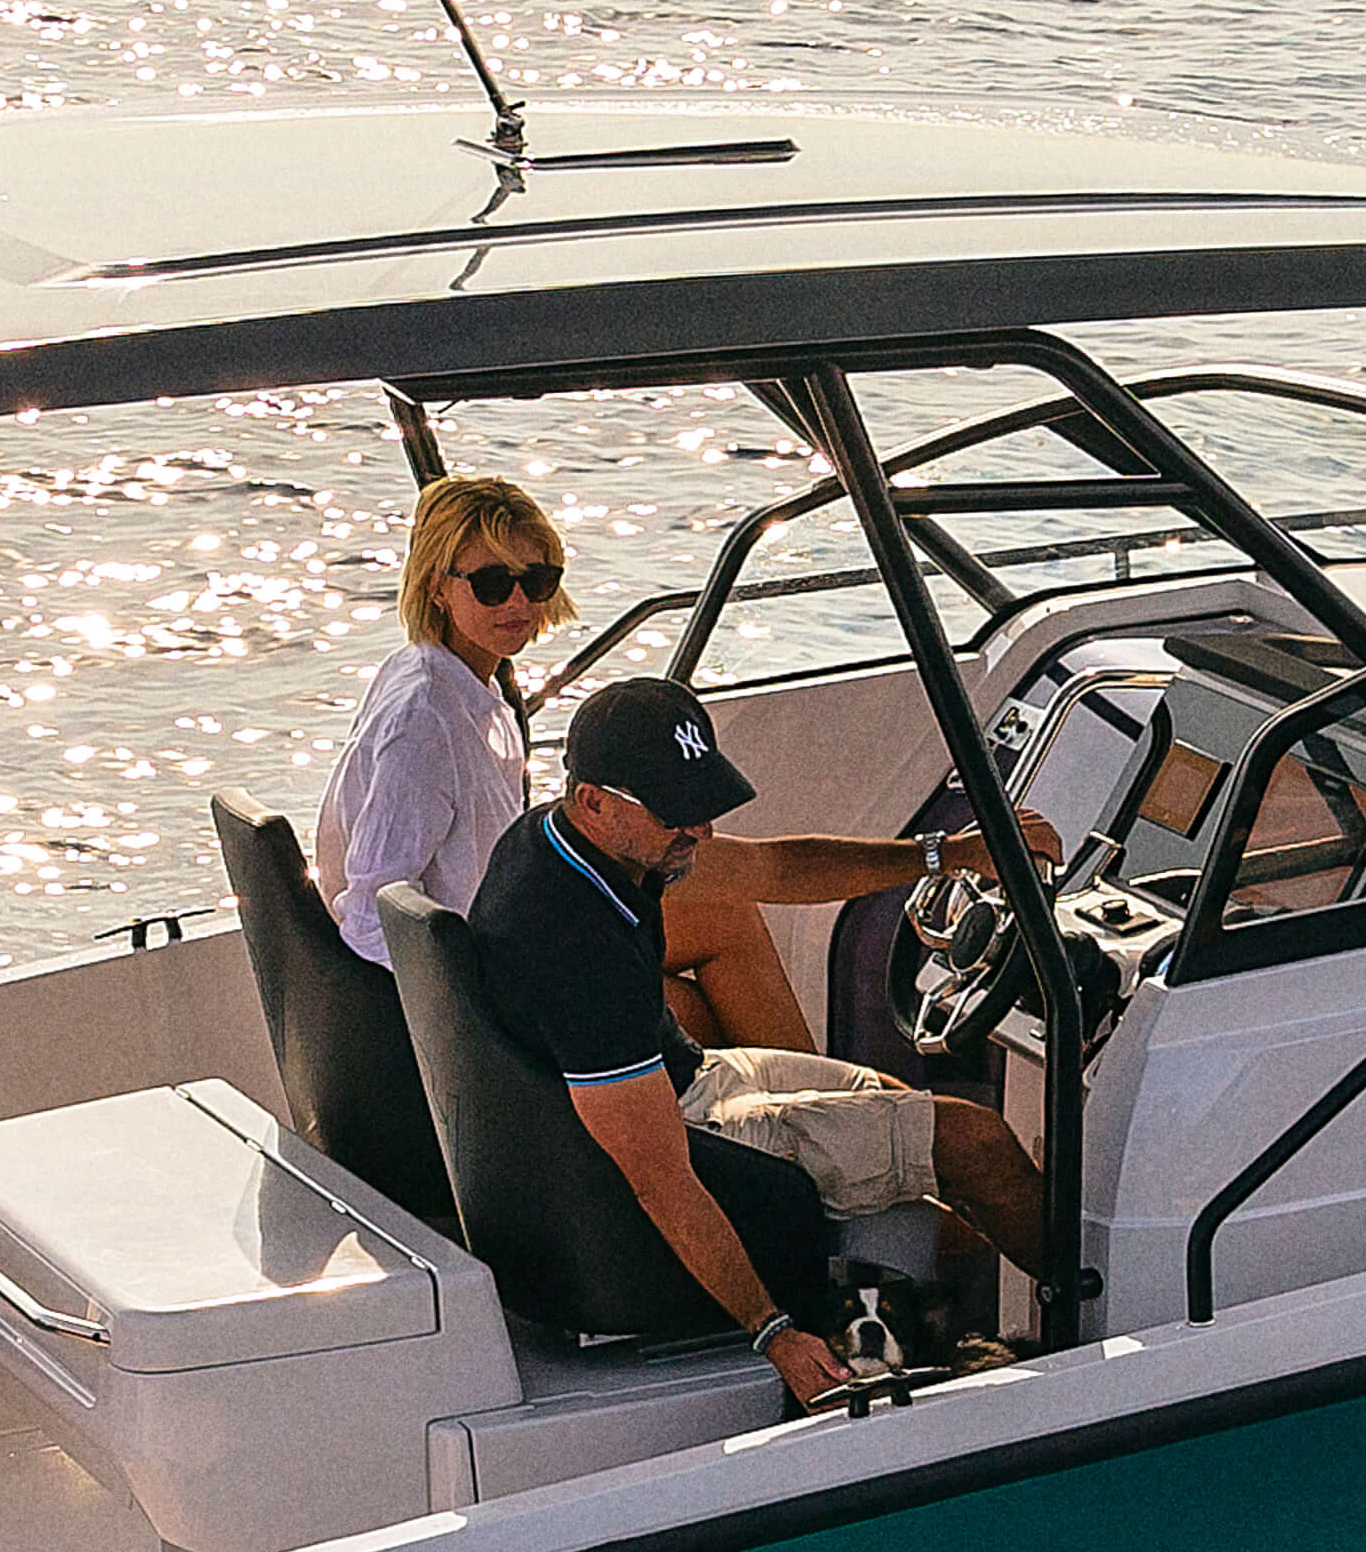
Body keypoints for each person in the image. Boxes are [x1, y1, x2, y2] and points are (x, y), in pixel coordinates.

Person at [460, 678, 1067, 1409]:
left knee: (903, 1104)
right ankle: (1105, 1333)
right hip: (681, 1128)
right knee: (974, 1143)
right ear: (593, 799)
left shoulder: (582, 840)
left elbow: (774, 868)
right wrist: (772, 1330)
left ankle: (939, 1326)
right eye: (677, 813)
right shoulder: (575, 948)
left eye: (703, 805)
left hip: (685, 1076)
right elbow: (662, 1176)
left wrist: (946, 854)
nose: (701, 832)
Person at [301, 474, 978, 1059]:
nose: (518, 603)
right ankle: (807, 1131)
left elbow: (761, 867)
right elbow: (371, 915)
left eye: (537, 580)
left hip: (522, 926)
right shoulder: (425, 717)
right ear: (437, 587)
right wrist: (491, 1030)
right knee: (685, 1013)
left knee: (728, 916)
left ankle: (814, 1117)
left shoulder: (464, 684)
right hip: (498, 977)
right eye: (491, 582)